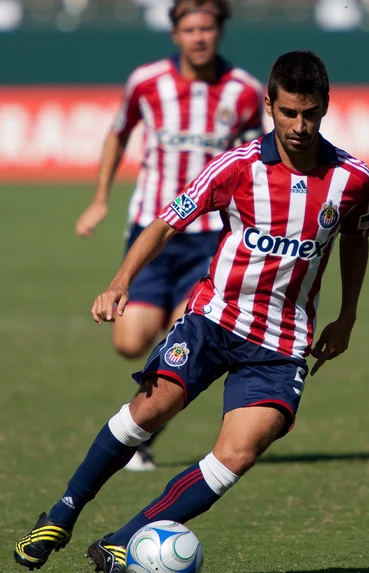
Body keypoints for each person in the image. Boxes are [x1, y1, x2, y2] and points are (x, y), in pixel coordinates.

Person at [14, 50, 369, 573]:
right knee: (150, 408)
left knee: (239, 453)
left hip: (282, 342)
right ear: (270, 106)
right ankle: (63, 513)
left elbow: (355, 242)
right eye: (290, 113)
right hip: (213, 319)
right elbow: (164, 223)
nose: (301, 127)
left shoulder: (352, 179)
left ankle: (126, 537)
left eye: (312, 114)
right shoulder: (236, 167)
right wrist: (120, 282)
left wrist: (346, 317)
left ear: (325, 108)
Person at [75, 0, 263, 470]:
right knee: (129, 341)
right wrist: (100, 199)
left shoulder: (243, 90)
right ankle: (158, 361)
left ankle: (140, 437)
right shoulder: (146, 82)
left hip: (210, 239)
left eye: (208, 28)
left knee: (183, 339)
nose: (199, 37)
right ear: (175, 34)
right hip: (152, 231)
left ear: (220, 32)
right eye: (190, 28)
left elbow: (261, 157)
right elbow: (118, 134)